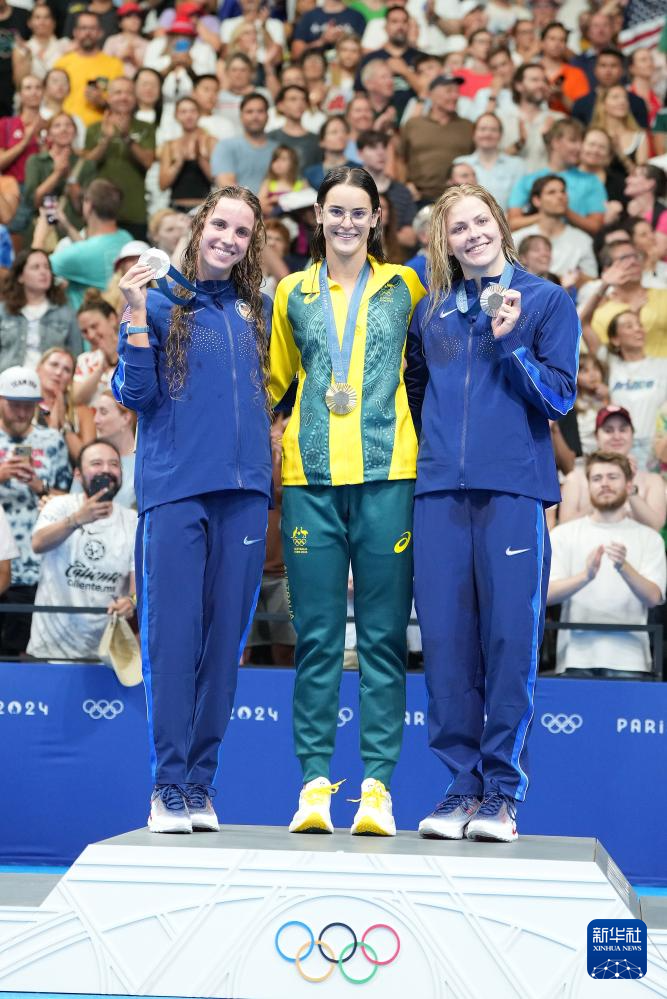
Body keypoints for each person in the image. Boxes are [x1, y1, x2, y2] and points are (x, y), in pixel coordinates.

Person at [405, 183, 579, 842]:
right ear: (444, 242)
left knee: (509, 642)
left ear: (500, 226)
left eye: (481, 221)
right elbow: (416, 391)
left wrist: (511, 346)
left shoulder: (545, 301)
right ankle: (460, 786)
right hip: (438, 494)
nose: (472, 234)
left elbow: (558, 399)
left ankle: (502, 792)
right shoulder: (431, 312)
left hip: (512, 491)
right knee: (446, 646)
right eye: (459, 228)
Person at [270, 166, 425, 837]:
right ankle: (312, 784)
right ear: (318, 216)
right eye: (336, 211)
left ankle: (376, 789)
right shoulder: (291, 292)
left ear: (376, 218)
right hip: (309, 479)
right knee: (317, 640)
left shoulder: (406, 285)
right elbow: (274, 381)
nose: (346, 222)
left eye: (359, 212)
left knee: (384, 639)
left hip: (389, 474)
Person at [112, 185, 272, 834]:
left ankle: (200, 784)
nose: (229, 239)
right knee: (173, 644)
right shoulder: (155, 301)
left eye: (243, 232)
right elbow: (136, 394)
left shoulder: (256, 309)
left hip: (245, 497)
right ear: (200, 225)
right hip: (175, 492)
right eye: (221, 225)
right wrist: (133, 314)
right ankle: (166, 785)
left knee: (223, 649)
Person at [548, 452, 665, 678]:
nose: (604, 484)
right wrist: (586, 576)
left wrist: (624, 567)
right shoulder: (563, 534)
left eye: (613, 477)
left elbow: (653, 598)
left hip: (631, 659)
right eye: (597, 478)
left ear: (629, 485)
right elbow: (546, 595)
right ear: (588, 486)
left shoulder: (650, 538)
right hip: (575, 657)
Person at [27, 439, 137, 661]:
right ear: (77, 474)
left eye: (114, 464)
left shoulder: (132, 520)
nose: (106, 469)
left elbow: (137, 583)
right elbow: (38, 543)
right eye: (96, 463)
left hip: (107, 654)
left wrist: (131, 602)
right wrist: (77, 519)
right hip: (50, 650)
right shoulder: (59, 506)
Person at [0, 365, 71, 656]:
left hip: (37, 568)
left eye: (28, 406)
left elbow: (70, 503)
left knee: (25, 659)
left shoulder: (52, 441)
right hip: (1, 566)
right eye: (14, 405)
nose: (21, 413)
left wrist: (40, 486)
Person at [559, 406, 666, 531]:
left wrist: (629, 488)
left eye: (623, 429)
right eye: (608, 430)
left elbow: (656, 527)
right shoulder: (575, 479)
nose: (616, 436)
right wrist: (601, 498)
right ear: (596, 436)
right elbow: (563, 529)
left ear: (632, 434)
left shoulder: (653, 480)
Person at [79, 76, 156, 240]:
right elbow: (88, 163)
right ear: (108, 97)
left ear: (135, 98)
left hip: (134, 210)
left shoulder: (146, 127)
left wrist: (126, 136)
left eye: (128, 93)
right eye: (118, 92)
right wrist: (106, 140)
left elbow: (148, 162)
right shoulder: (94, 128)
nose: (123, 97)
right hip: (100, 210)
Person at [507, 118, 606, 236]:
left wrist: (565, 211)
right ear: (555, 142)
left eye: (581, 142)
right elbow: (513, 223)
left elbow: (596, 227)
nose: (579, 147)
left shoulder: (592, 181)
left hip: (575, 244)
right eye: (573, 141)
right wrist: (546, 214)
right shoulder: (528, 180)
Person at [47, 178, 133, 310]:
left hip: (84, 319)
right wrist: (67, 227)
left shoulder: (80, 253)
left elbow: (36, 267)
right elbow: (92, 249)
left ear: (89, 205)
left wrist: (41, 231)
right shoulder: (126, 238)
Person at [0, 249, 81, 371]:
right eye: (35, 267)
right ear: (20, 277)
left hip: (51, 379)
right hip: (7, 378)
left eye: (47, 267)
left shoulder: (66, 312)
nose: (43, 272)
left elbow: (75, 355)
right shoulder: (3, 311)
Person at [398, 74, 474, 204]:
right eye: (449, 91)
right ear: (431, 95)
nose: (455, 96)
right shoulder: (413, 124)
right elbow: (400, 159)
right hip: (419, 198)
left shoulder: (468, 126)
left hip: (459, 198)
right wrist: (405, 183)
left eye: (457, 92)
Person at [519, 174, 598, 282]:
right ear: (536, 200)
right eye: (551, 192)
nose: (560, 196)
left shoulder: (583, 240)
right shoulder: (517, 238)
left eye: (563, 192)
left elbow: (592, 280)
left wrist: (569, 281)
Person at [53, 12, 124, 128]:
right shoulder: (62, 63)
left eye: (92, 28)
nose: (87, 33)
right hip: (67, 129)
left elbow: (122, 104)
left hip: (100, 129)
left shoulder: (114, 65)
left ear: (100, 32)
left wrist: (103, 103)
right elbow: (51, 99)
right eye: (83, 28)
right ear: (75, 32)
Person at [453, 112, 524, 211]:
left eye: (493, 130)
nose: (487, 134)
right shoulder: (460, 164)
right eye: (482, 129)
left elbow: (520, 203)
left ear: (500, 135)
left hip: (507, 220)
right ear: (473, 134)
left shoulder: (516, 165)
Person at [211, 92, 277, 195]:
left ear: (268, 116)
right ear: (241, 116)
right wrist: (257, 202)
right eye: (249, 112)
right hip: (236, 204)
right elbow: (226, 185)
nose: (255, 116)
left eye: (260, 111)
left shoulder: (278, 149)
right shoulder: (225, 146)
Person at [158, 96, 215, 212]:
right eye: (183, 112)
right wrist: (178, 163)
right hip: (177, 208)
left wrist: (201, 158)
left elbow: (217, 180)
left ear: (199, 114)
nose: (189, 116)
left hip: (204, 208)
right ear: (176, 116)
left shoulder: (210, 142)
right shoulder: (170, 145)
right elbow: (162, 185)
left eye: (192, 111)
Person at [73, 292, 119, 407]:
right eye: (84, 331)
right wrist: (100, 370)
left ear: (112, 319)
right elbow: (77, 398)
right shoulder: (85, 360)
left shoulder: (134, 351)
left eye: (94, 326)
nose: (91, 335)